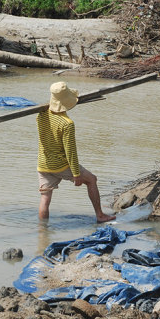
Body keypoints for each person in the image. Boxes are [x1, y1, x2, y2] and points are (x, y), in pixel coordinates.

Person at [36, 81, 116, 223]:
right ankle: (100, 215)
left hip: (43, 163)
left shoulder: (41, 114)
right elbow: (70, 151)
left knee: (45, 198)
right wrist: (76, 174)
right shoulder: (67, 124)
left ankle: (42, 232)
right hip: (60, 165)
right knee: (92, 180)